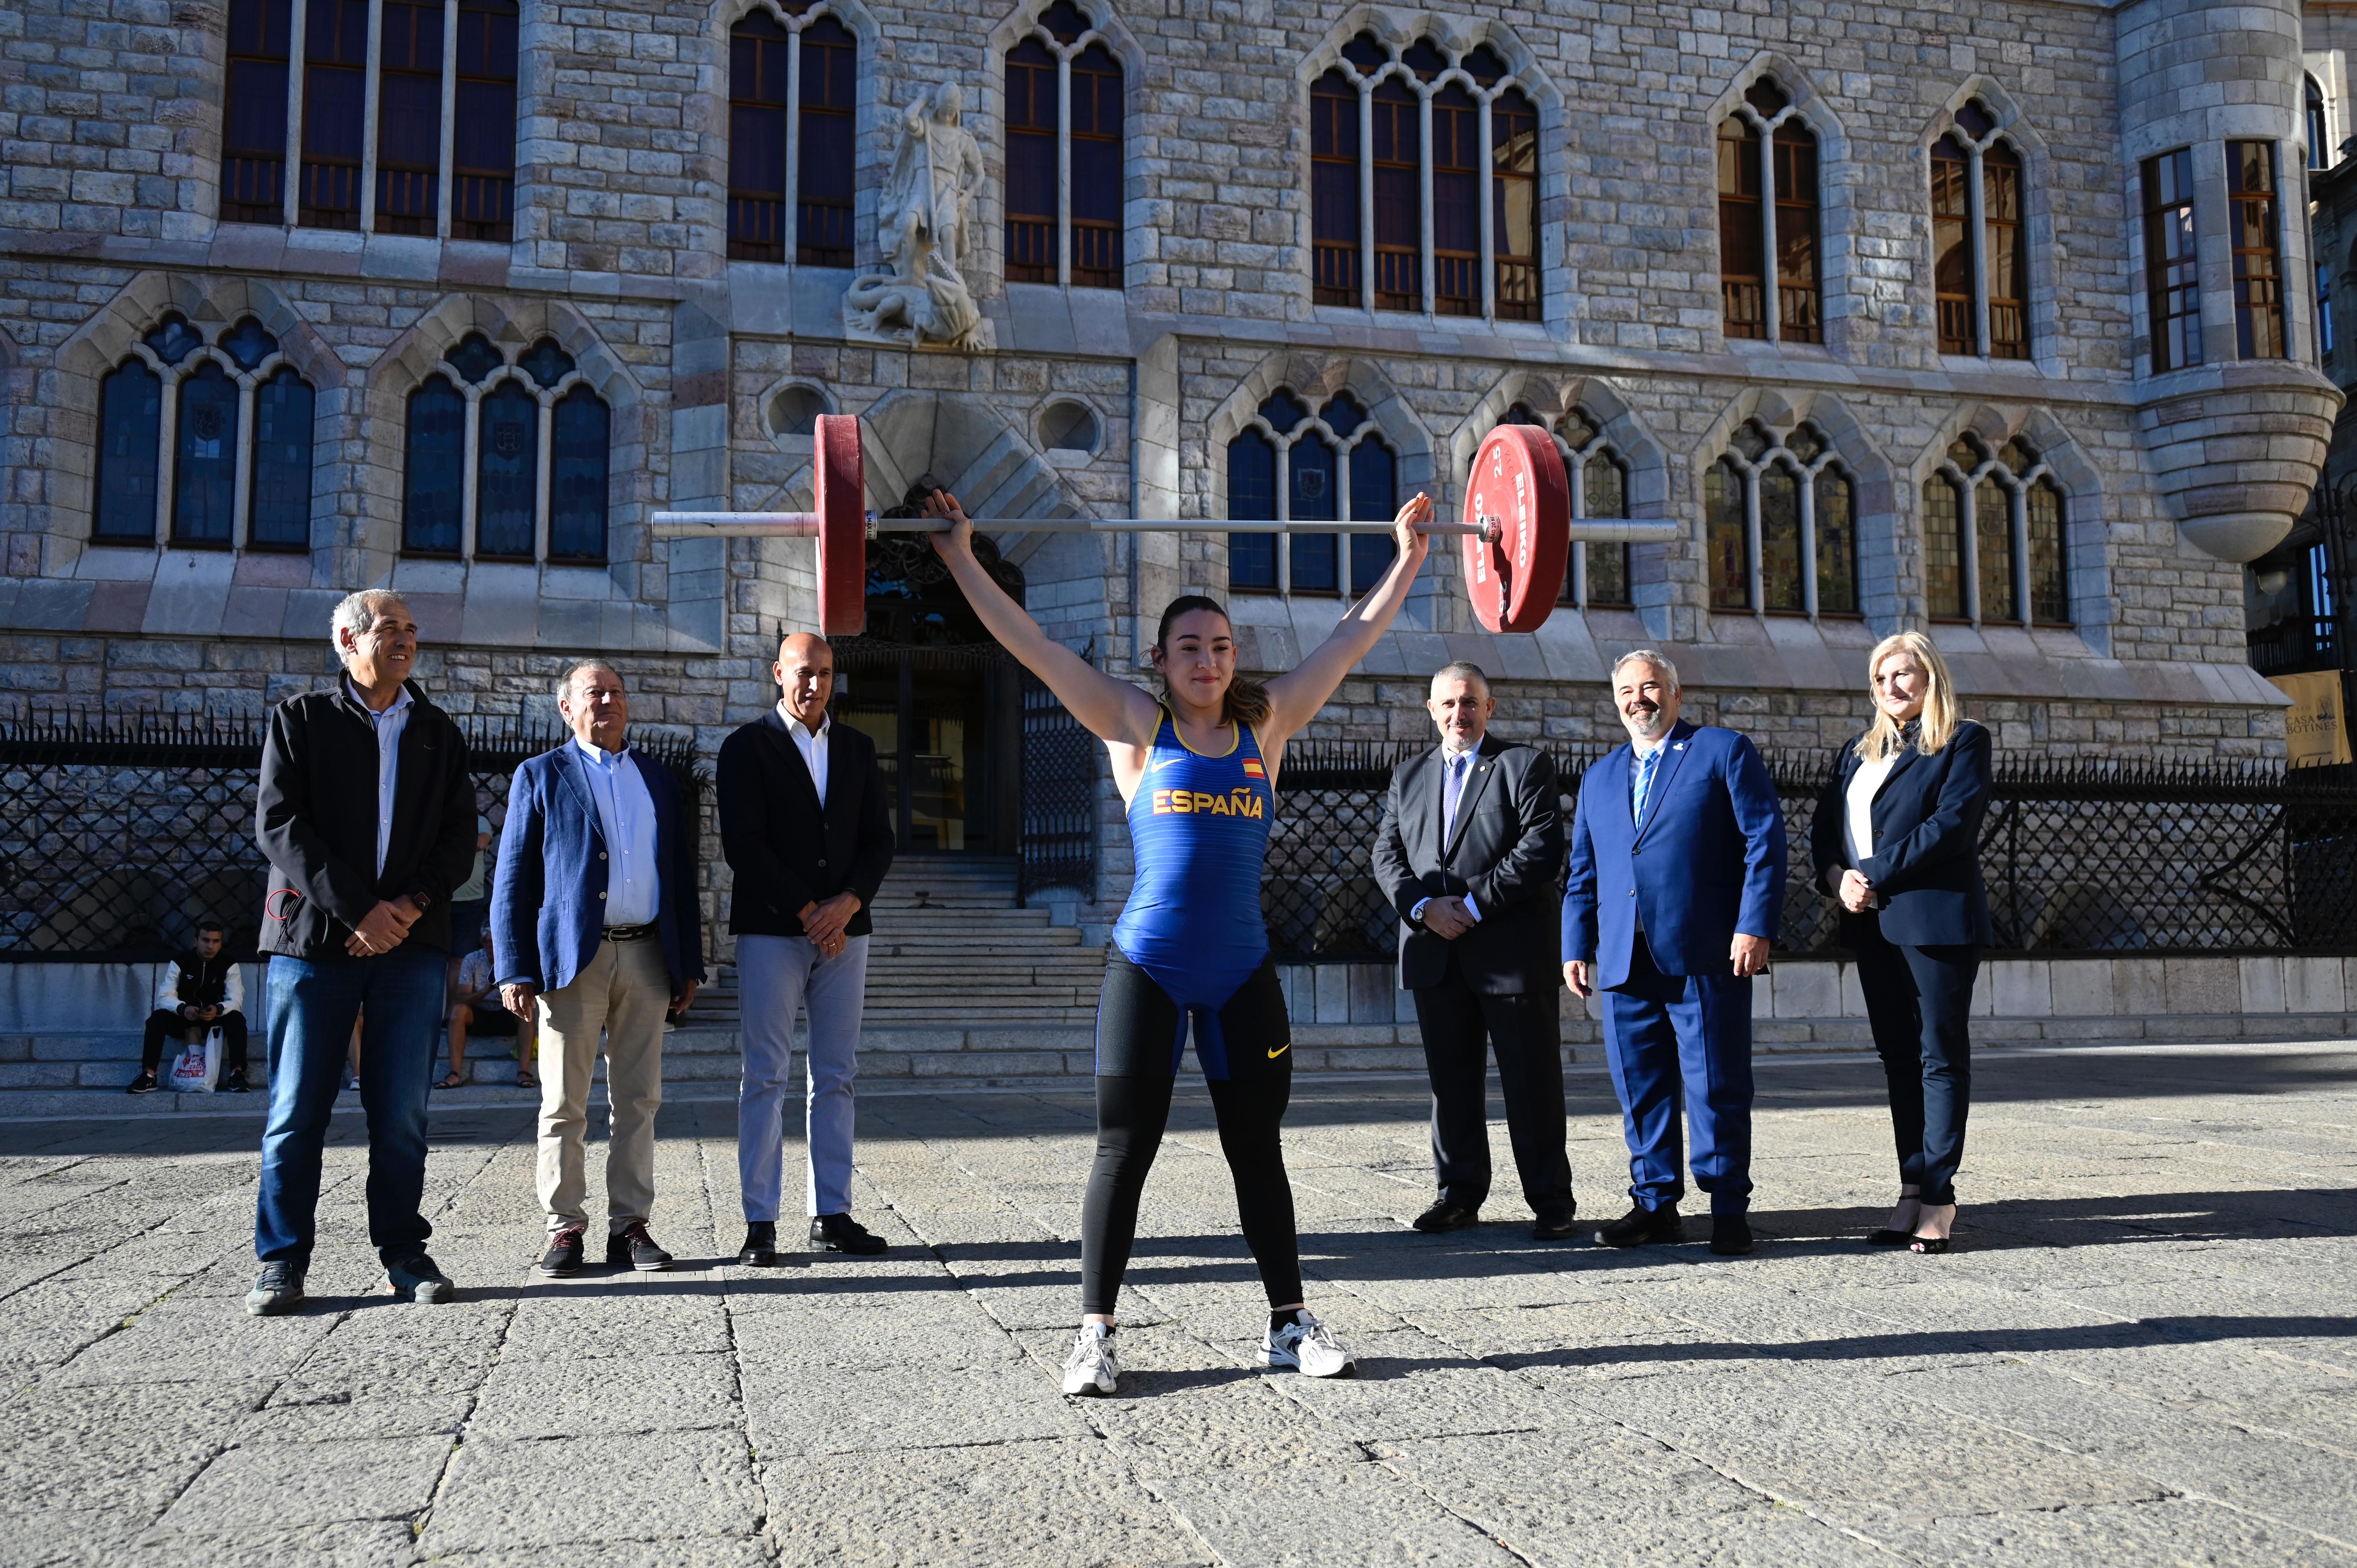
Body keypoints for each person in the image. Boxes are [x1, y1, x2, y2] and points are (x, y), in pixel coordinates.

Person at [923, 482, 1438, 1398]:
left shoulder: (1264, 723)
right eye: (1190, 647)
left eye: (1221, 645)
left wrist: (1406, 554)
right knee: (1123, 1147)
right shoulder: (1133, 723)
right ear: (1159, 659)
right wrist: (962, 553)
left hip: (1241, 969)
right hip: (1150, 966)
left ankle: (1289, 1323)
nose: (1207, 659)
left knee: (1257, 1150)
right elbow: (1033, 646)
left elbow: (1350, 636)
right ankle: (1095, 1334)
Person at [246, 589, 477, 1315]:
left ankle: (404, 1253)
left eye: (413, 629)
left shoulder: (438, 731)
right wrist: (359, 909)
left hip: (409, 948)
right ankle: (282, 1261)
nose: (406, 640)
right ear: (348, 639)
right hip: (314, 945)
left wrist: (403, 910)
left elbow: (457, 837)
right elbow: (279, 824)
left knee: (402, 1112)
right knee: (296, 1112)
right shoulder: (302, 719)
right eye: (390, 629)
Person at [1563, 650, 1785, 1258]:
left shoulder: (1721, 751)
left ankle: (1727, 1206)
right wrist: (1575, 944)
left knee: (1716, 1083)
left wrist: (1754, 924)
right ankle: (1656, 1203)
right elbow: (1584, 869)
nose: (1640, 698)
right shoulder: (1599, 777)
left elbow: (1764, 840)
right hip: (1622, 958)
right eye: (1628, 690)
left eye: (1652, 687)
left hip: (1704, 952)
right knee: (1641, 1087)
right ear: (1615, 702)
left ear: (1676, 694)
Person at [493, 661, 705, 1276]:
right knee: (565, 1101)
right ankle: (565, 1228)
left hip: (646, 953)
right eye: (594, 693)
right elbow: (513, 877)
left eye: (615, 692)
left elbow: (680, 875)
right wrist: (514, 968)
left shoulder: (659, 780)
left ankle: (631, 1226)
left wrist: (687, 959)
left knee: (639, 1098)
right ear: (567, 708)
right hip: (571, 961)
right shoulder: (541, 775)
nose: (607, 701)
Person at [1370, 662, 1573, 1239]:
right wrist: (1422, 908)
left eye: (1469, 702)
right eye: (1448, 704)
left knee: (1530, 1083)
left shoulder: (1522, 765)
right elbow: (1386, 857)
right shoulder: (1407, 776)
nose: (1458, 713)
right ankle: (1457, 1193)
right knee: (1451, 1084)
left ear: (1489, 708)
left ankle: (1551, 1200)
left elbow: (1540, 847)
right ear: (1431, 711)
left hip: (1508, 954)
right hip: (1435, 954)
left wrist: (1471, 905)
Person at [1809, 631, 1992, 1255]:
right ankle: (1911, 1186)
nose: (1892, 686)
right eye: (1882, 676)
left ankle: (1940, 1195)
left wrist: (1874, 873)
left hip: (1934, 923)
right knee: (1898, 1059)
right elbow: (1824, 834)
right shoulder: (1856, 754)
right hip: (1871, 923)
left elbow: (1951, 827)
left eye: (1905, 674)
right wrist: (1838, 880)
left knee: (1938, 1055)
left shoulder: (1962, 741)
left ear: (1930, 677)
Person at [720, 632, 895, 1266]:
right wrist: (807, 911)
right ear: (778, 674)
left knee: (837, 1075)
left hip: (847, 934)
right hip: (772, 930)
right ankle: (759, 1221)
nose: (814, 684)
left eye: (824, 673)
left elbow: (879, 839)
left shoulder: (857, 748)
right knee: (766, 1075)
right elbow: (745, 845)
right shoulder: (747, 747)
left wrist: (846, 903)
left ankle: (833, 1213)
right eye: (802, 672)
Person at [129, 919, 250, 1093]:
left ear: (221, 943)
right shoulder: (180, 962)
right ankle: (149, 1075)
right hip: (184, 1019)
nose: (210, 946)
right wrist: (183, 1009)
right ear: (196, 942)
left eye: (216, 941)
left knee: (237, 1019)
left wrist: (218, 1009)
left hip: (213, 1022)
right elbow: (164, 997)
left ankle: (237, 1074)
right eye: (206, 940)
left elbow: (236, 1000)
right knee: (157, 1019)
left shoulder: (229, 964)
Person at [441, 926, 537, 1090]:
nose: (492, 946)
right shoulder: (473, 960)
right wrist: (487, 990)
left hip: (508, 1012)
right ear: (482, 943)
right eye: (488, 942)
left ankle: (524, 1071)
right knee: (458, 1011)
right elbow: (461, 998)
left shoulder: (513, 957)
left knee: (527, 1008)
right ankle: (455, 1073)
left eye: (496, 942)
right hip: (480, 1013)